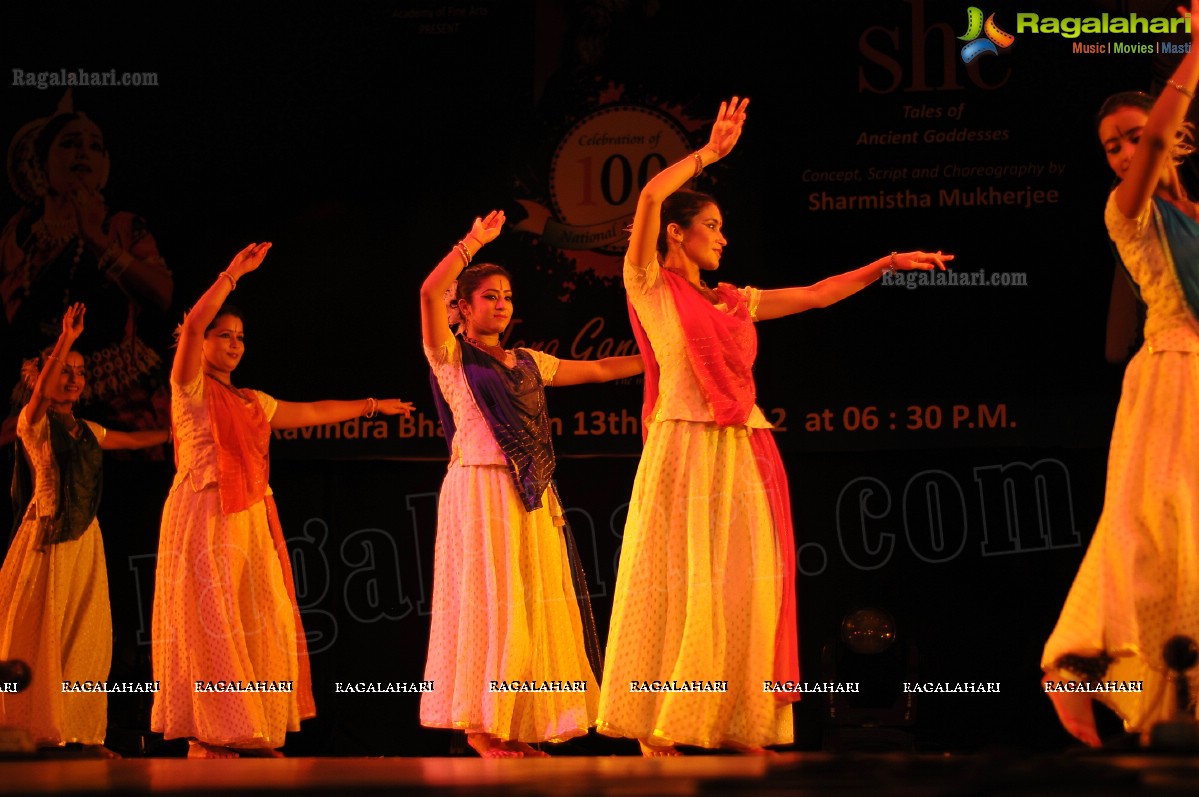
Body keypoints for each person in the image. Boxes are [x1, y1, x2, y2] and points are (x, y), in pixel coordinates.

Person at [595, 96, 953, 756]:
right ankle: (662, 722)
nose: (722, 236)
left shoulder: (733, 299)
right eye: (711, 225)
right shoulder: (647, 282)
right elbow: (647, 199)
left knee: (744, 586)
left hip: (741, 448)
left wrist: (883, 265)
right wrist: (706, 154)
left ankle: (737, 719)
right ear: (678, 234)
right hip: (683, 443)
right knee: (680, 580)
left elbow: (815, 293)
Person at [150, 243, 414, 758]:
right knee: (211, 620)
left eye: (239, 338)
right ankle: (212, 734)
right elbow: (199, 316)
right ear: (195, 342)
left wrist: (372, 405)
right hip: (204, 511)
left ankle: (251, 729)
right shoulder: (189, 388)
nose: (232, 344)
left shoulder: (252, 401)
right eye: (221, 336)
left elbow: (312, 410)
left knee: (262, 615)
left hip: (249, 517)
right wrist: (231, 274)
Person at [418, 210, 643, 758]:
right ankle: (480, 725)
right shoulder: (451, 357)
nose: (501, 305)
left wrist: (657, 357)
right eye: (489, 296)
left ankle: (516, 723)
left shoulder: (526, 361)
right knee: (490, 603)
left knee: (531, 604)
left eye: (508, 297)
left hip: (532, 494)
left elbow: (596, 370)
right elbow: (427, 292)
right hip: (479, 489)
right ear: (463, 307)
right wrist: (472, 241)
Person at [1042, 0, 1199, 748]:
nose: (1127, 153)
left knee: (1187, 538)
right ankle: (1078, 659)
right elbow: (1162, 130)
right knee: (1152, 523)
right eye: (1113, 146)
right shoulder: (1125, 210)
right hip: (1170, 370)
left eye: (1136, 138)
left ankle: (1171, 690)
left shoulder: (1194, 212)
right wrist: (1193, 55)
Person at [0, 302, 169, 756]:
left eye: (79, 371)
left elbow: (137, 439)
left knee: (86, 639)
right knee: (43, 636)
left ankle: (78, 732)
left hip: (85, 542)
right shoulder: (31, 422)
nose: (74, 377)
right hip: (46, 541)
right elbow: (36, 401)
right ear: (39, 377)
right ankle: (35, 727)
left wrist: (185, 430)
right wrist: (66, 339)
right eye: (63, 369)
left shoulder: (88, 429)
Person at [1, 91, 173, 454]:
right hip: (43, 393)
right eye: (70, 144)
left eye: (94, 146)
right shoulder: (21, 236)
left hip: (124, 395)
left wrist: (97, 240)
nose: (84, 153)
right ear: (41, 162)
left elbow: (162, 295)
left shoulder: (122, 227)